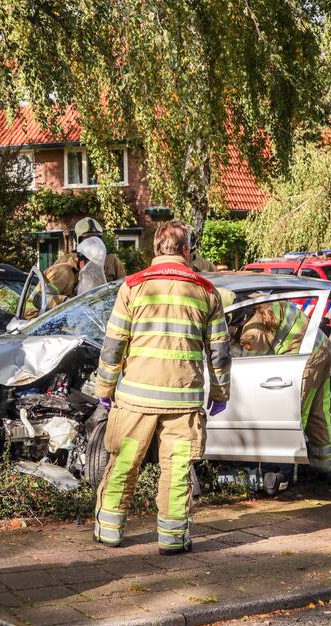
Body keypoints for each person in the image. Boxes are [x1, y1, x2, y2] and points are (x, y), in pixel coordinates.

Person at [92, 220, 230, 555]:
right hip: (182, 402)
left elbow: (113, 345)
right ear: (187, 251)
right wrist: (220, 394)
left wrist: (105, 389)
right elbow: (220, 352)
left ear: (156, 248)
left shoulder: (133, 286)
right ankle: (172, 538)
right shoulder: (206, 290)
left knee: (124, 462)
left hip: (135, 398)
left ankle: (109, 531)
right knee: (178, 468)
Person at [226, 290, 331, 475]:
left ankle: (283, 471)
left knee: (294, 414)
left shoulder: (252, 333)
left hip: (305, 359)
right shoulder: (256, 299)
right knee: (318, 414)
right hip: (321, 348)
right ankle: (324, 470)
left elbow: (249, 369)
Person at [50, 217, 127, 293]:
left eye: (96, 238)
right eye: (87, 239)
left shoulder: (112, 261)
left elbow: (123, 289)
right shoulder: (65, 262)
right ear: (78, 240)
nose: (93, 243)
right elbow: (44, 298)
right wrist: (68, 301)